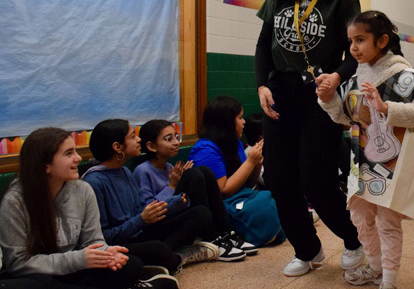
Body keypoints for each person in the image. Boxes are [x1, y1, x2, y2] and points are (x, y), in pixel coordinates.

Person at [254, 0, 363, 277]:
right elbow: (263, 43)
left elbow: (356, 53)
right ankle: (308, 249)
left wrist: (337, 75)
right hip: (281, 92)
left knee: (315, 180)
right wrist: (261, 84)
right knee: (279, 178)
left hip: (320, 95)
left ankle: (353, 240)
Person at [317, 10, 414, 289]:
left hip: (395, 160)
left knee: (388, 221)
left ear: (382, 41)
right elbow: (345, 116)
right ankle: (375, 266)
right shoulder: (358, 73)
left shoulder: (402, 72)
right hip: (362, 155)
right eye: (350, 41)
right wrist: (328, 97)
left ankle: (390, 284)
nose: (353, 48)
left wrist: (387, 108)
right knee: (359, 213)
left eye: (360, 40)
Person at [0, 128, 177, 289]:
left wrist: (106, 253)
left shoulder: (82, 190)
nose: (78, 158)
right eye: (68, 153)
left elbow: (93, 241)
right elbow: (17, 264)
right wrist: (80, 259)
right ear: (46, 164)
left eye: (75, 151)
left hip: (76, 271)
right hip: (40, 276)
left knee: (130, 265)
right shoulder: (16, 200)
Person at [84, 119, 234, 271]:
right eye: (132, 137)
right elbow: (104, 238)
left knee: (201, 213)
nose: (139, 140)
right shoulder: (95, 182)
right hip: (123, 241)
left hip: (142, 231)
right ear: (117, 147)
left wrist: (176, 202)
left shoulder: (125, 172)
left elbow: (143, 209)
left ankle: (177, 252)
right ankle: (175, 256)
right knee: (155, 249)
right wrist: (141, 219)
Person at [134, 119, 256, 257]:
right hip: (157, 226)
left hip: (175, 213)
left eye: (176, 137)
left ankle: (226, 232)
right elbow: (149, 209)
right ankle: (212, 238)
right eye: (168, 139)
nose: (175, 142)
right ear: (151, 146)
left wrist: (180, 182)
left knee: (204, 171)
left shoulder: (169, 167)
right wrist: (172, 186)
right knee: (193, 174)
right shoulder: (142, 171)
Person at [188, 96, 284, 247]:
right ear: (226, 123)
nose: (244, 122)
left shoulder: (235, 142)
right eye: (239, 118)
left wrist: (257, 163)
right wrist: (250, 162)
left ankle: (282, 224)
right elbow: (223, 192)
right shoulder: (205, 150)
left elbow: (248, 183)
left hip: (241, 196)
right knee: (263, 205)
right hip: (221, 208)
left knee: (274, 197)